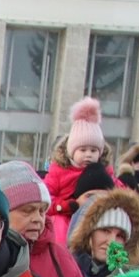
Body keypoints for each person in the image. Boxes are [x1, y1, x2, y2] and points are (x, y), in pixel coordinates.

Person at [0, 160, 91, 277]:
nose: (38, 219)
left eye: (42, 211)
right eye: (27, 211)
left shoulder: (62, 257)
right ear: (1, 213)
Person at [45, 97, 110, 247]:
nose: (88, 155)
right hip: (66, 214)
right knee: (59, 225)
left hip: (97, 216)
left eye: (93, 150)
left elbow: (119, 191)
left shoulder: (105, 172)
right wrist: (66, 206)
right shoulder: (60, 171)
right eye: (83, 150)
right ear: (71, 151)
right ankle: (62, 251)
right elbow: (47, 198)